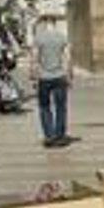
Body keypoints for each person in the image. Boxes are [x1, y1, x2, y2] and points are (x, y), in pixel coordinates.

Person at [32, 14, 73, 148]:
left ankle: (49, 136)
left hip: (44, 78)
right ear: (55, 23)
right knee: (61, 107)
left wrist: (34, 77)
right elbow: (67, 58)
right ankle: (59, 137)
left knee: (44, 107)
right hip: (60, 77)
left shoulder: (39, 38)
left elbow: (35, 59)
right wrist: (69, 76)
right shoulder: (62, 37)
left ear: (45, 23)